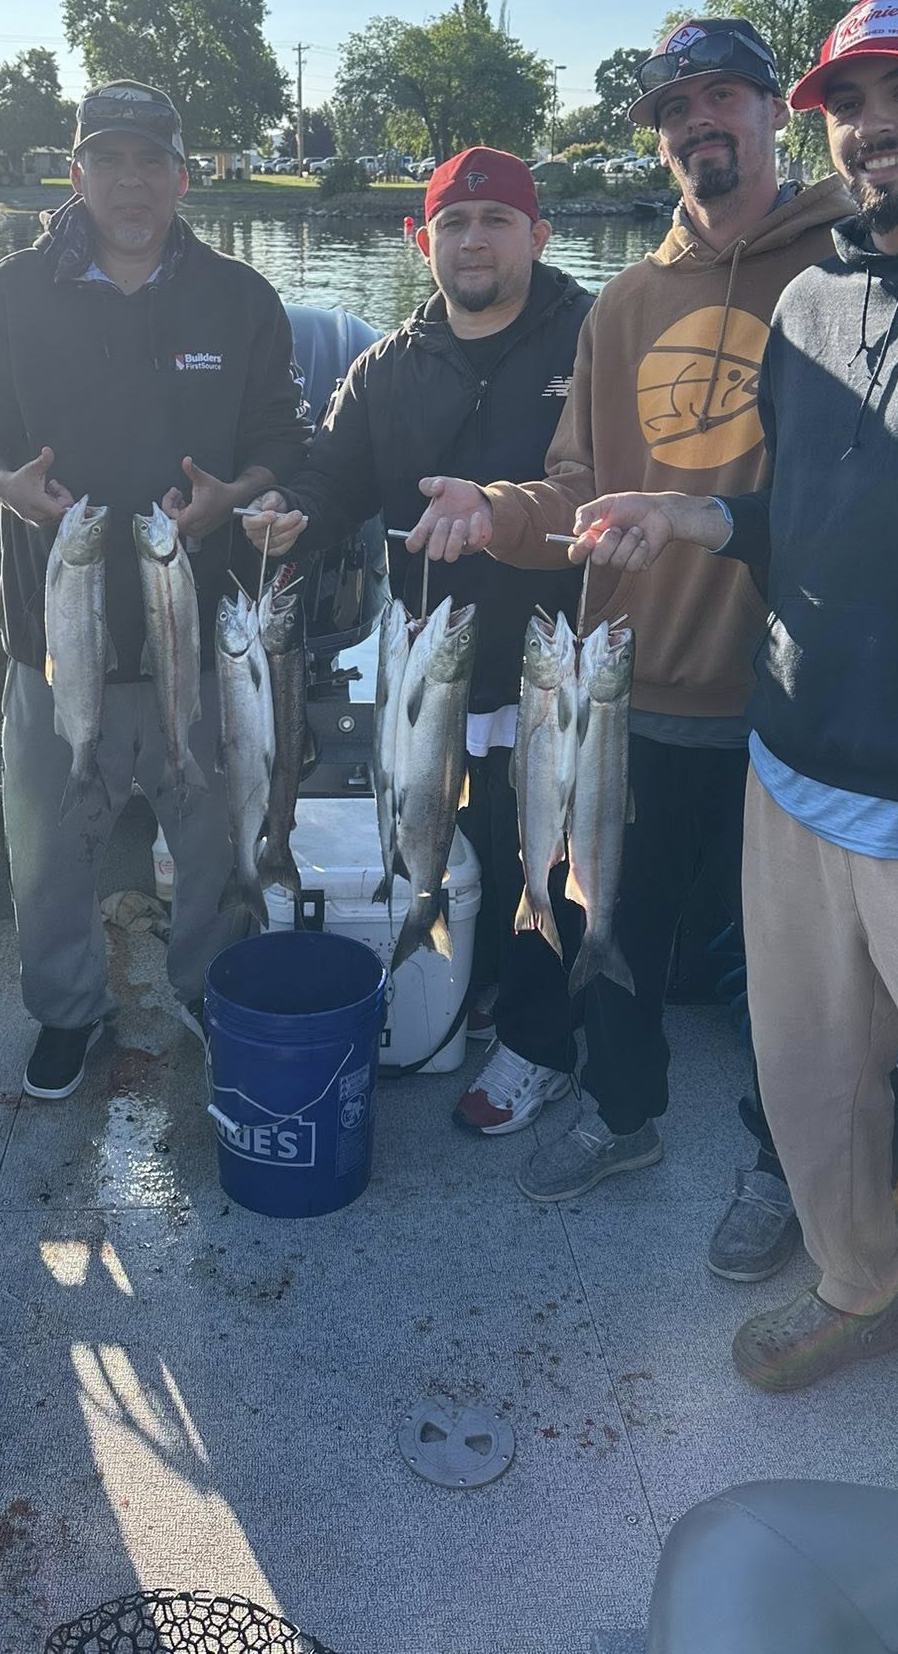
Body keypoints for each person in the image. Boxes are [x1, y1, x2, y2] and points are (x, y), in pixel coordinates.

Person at [565, 0, 898, 1521]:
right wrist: (703, 518)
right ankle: (861, 1284)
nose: (873, 127)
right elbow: (812, 517)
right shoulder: (815, 303)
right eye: (849, 103)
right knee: (810, 1093)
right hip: (796, 780)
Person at [407, 25, 852, 1281]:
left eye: (724, 96)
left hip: (791, 700)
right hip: (625, 692)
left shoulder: (848, 263)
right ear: (656, 136)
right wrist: (495, 511)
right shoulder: (623, 306)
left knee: (795, 969)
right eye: (676, 108)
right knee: (612, 926)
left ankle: (790, 1159)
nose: (700, 123)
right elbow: (577, 491)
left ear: (775, 111)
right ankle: (623, 1112)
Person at [0, 80, 310, 1101]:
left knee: (211, 844)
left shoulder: (241, 298)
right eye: (110, 159)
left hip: (203, 642)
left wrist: (238, 491)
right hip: (50, 645)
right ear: (77, 173)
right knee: (51, 853)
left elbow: (284, 436)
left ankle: (213, 995)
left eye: (152, 160)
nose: (133, 180)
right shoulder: (10, 291)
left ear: (184, 176)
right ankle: (64, 1014)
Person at [243, 148, 593, 1134]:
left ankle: (538, 1041)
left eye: (495, 218)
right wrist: (286, 513)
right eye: (454, 222)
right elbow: (331, 481)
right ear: (420, 238)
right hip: (429, 666)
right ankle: (481, 980)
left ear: (538, 235)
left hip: (549, 661)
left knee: (549, 845)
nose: (473, 239)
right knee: (460, 830)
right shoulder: (385, 366)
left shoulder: (594, 340)